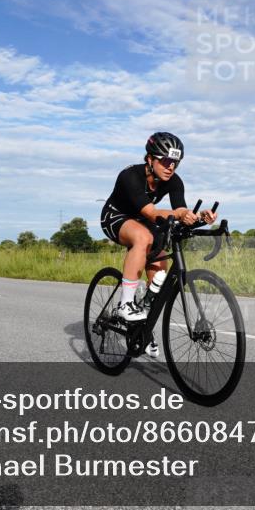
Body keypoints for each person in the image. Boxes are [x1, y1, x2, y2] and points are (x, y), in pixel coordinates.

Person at [99, 132, 217, 357]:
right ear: (149, 159)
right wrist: (178, 215)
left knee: (160, 274)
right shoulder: (129, 176)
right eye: (164, 160)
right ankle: (125, 304)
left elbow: (179, 209)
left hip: (143, 221)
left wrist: (198, 216)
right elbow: (152, 213)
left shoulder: (174, 180)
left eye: (175, 162)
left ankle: (143, 328)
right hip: (116, 217)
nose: (170, 166)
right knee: (143, 238)